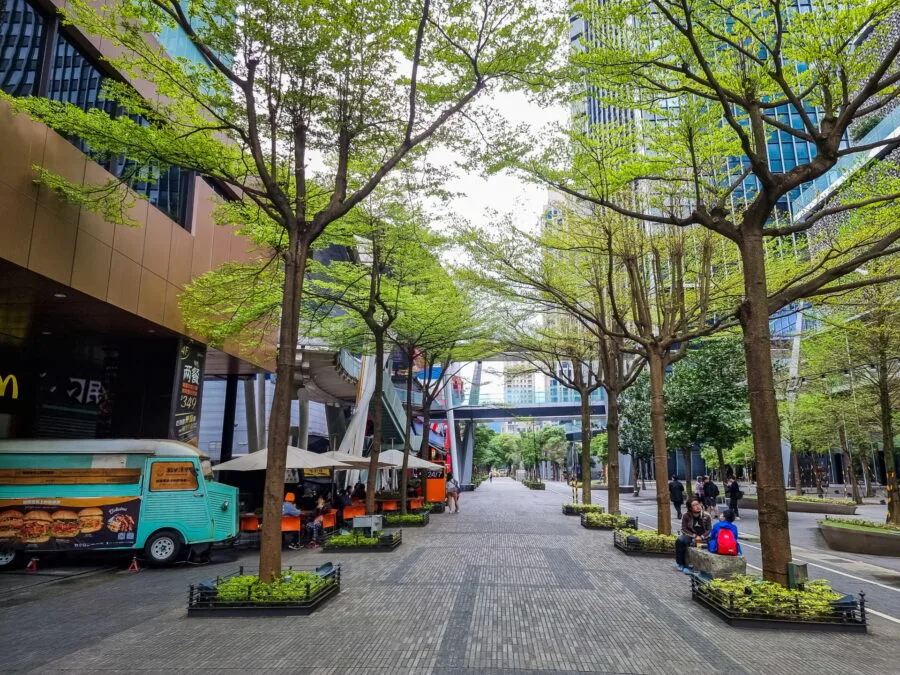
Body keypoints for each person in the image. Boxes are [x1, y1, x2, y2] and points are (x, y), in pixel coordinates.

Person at [675, 498, 712, 573]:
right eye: (694, 505)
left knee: (714, 543)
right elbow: (684, 528)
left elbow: (709, 529)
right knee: (680, 541)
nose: (697, 506)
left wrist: (702, 537)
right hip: (690, 536)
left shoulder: (707, 515)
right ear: (690, 508)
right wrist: (694, 536)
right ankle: (681, 563)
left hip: (703, 537)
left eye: (698, 504)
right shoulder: (686, 515)